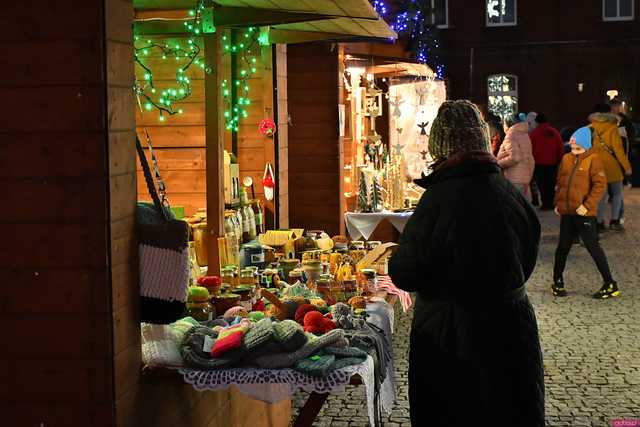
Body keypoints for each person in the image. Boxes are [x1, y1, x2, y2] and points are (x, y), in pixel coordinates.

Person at [389, 100, 544, 427]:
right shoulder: (509, 192)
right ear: (480, 139)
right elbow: (527, 259)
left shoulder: (439, 199)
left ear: (440, 144)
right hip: (511, 331)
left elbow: (405, 271)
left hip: (452, 339)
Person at [552, 127, 619, 299]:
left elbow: (599, 185)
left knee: (593, 247)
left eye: (578, 148)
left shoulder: (593, 160)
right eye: (572, 148)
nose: (574, 152)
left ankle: (609, 283)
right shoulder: (566, 159)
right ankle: (557, 281)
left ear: (586, 146)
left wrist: (587, 205)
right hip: (567, 211)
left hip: (584, 213)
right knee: (563, 247)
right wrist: (557, 203)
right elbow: (560, 183)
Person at [589, 104, 632, 232]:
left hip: (597, 166)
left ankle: (599, 222)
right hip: (612, 166)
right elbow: (618, 150)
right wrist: (627, 167)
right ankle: (614, 221)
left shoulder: (591, 128)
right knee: (617, 194)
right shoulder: (613, 128)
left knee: (601, 195)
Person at [530, 113, 565, 210]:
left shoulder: (534, 133)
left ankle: (545, 203)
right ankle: (551, 202)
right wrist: (559, 160)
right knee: (551, 184)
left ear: (536, 122)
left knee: (542, 185)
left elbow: (530, 149)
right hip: (552, 163)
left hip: (539, 163)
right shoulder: (554, 132)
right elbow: (560, 147)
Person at [497, 113, 536, 197]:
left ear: (508, 124)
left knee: (512, 206)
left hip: (513, 178)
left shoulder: (510, 136)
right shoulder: (525, 135)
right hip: (525, 177)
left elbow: (515, 157)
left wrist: (498, 163)